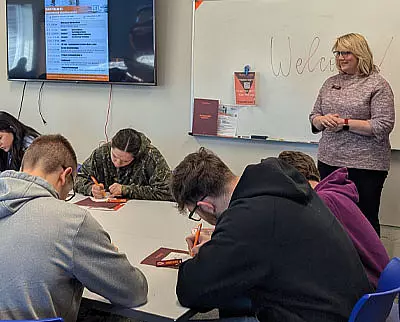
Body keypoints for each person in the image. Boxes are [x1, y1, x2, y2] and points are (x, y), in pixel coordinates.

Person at [171, 147, 372, 322]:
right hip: (339, 308)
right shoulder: (278, 188)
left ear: (206, 206)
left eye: (195, 214)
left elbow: (191, 290)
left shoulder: (247, 218)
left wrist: (207, 256)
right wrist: (220, 247)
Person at [0, 134, 148, 322]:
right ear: (64, 175)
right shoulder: (71, 221)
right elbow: (134, 291)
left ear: (23, 167)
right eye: (66, 195)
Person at [309, 33, 395, 236]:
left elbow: (383, 124)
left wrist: (345, 124)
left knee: (363, 221)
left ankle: (369, 267)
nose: (340, 57)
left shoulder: (377, 84)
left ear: (360, 54)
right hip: (329, 161)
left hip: (365, 166)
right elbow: (314, 115)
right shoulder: (330, 82)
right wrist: (321, 121)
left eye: (346, 52)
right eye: (337, 53)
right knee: (328, 218)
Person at [277, 150, 390, 289]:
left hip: (366, 287)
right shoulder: (334, 194)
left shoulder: (322, 201)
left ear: (291, 180)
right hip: (376, 285)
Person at [75, 128, 172, 201]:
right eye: (114, 156)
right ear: (111, 144)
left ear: (136, 155)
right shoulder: (101, 153)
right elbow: (76, 179)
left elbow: (168, 191)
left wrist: (127, 190)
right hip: (106, 214)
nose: (117, 163)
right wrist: (91, 189)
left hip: (142, 214)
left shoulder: (150, 157)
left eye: (125, 161)